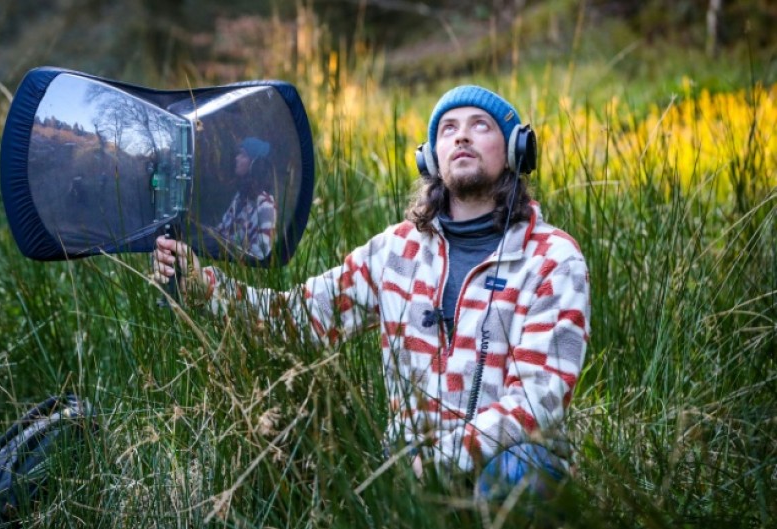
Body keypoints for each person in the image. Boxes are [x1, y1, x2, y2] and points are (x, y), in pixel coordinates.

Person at [154, 86, 590, 503]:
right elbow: (299, 319)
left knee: (522, 470)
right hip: (409, 482)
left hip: (502, 471)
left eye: (480, 125)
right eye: (448, 128)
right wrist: (204, 287)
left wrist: (438, 462)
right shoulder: (395, 251)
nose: (461, 135)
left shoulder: (553, 260)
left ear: (515, 151)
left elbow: (537, 401)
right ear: (431, 158)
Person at [213, 137, 278, 259]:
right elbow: (222, 229)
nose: (237, 158)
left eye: (242, 155)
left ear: (255, 164)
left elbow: (261, 253)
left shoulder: (266, 206)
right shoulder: (240, 197)